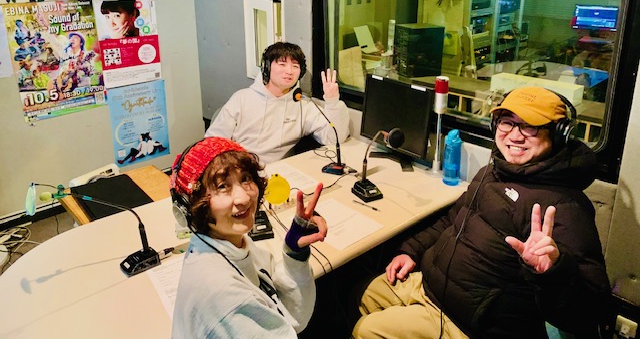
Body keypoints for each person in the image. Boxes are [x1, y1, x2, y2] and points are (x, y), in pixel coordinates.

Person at [352, 87, 612, 339]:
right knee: (367, 293)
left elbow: (592, 313)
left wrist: (552, 272)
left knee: (367, 330)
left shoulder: (566, 207)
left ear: (558, 134)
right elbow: (451, 220)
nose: (515, 136)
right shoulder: (493, 171)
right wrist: (411, 251)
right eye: (507, 123)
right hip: (430, 285)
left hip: (466, 323)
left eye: (530, 126)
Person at [171, 137, 327, 338]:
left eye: (245, 178)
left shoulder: (232, 241)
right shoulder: (223, 295)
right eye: (222, 186)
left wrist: (294, 253)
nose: (244, 198)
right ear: (190, 206)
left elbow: (287, 315)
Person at [205, 42, 350, 164]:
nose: (289, 71)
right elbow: (212, 143)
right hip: (238, 170)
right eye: (282, 64)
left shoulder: (303, 105)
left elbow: (333, 138)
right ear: (267, 67)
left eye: (295, 66)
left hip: (278, 174)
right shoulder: (242, 98)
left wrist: (332, 101)